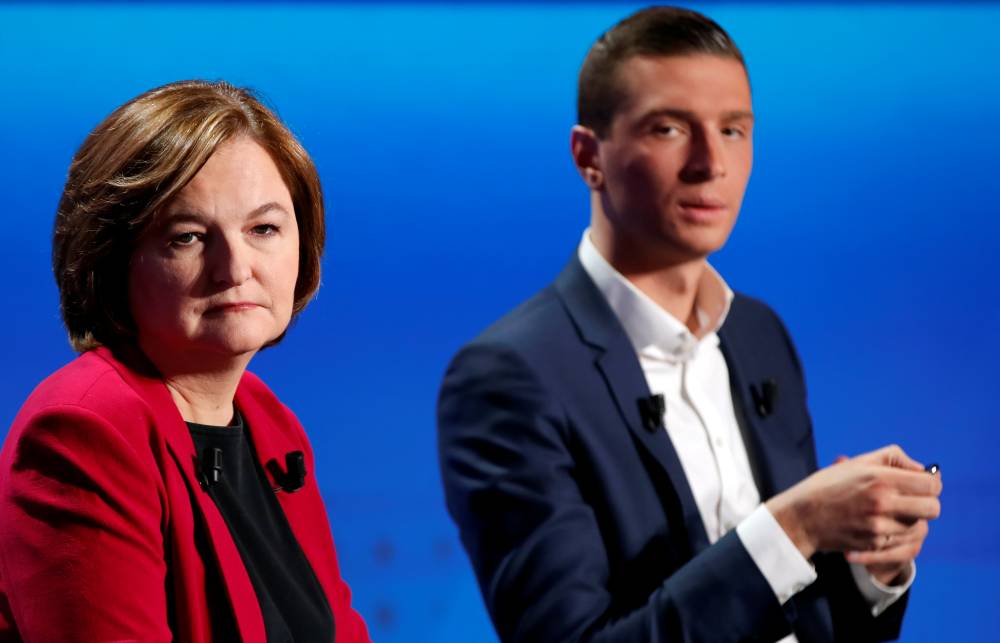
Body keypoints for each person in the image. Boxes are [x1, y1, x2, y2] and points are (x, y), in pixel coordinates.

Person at [437, 7, 942, 642]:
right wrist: (799, 523)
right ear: (588, 156)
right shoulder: (508, 377)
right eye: (671, 128)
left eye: (733, 130)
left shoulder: (760, 336)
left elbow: (802, 613)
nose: (711, 163)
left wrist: (876, 567)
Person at [0, 80, 370, 642]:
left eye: (263, 228)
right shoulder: (83, 432)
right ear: (112, 258)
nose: (235, 268)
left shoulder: (270, 424)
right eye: (189, 237)